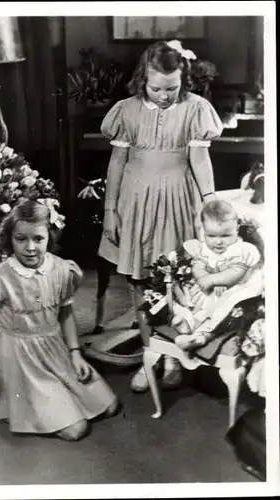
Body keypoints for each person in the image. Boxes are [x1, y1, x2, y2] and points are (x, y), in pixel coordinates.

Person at [98, 40, 223, 392]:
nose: (165, 96)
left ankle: (172, 354)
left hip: (179, 201)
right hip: (135, 203)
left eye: (172, 88)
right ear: (143, 80)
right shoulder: (126, 111)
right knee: (139, 281)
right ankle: (150, 350)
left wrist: (209, 202)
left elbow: (199, 160)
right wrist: (110, 210)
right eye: (156, 88)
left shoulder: (196, 109)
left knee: (177, 281)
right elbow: (117, 163)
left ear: (183, 80)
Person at [0, 199, 119, 441]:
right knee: (77, 430)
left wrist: (74, 353)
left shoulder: (62, 269)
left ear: (49, 237)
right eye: (21, 239)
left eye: (38, 239)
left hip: (54, 349)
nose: (30, 247)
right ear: (10, 238)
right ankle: (27, 406)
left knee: (110, 407)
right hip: (19, 358)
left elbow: (66, 313)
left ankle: (59, 401)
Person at [172, 200, 263, 350]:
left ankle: (203, 337)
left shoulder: (242, 249)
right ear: (204, 231)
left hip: (237, 287)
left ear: (237, 229)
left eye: (226, 235)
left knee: (232, 307)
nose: (218, 242)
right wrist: (202, 277)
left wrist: (216, 280)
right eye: (211, 236)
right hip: (210, 290)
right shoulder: (203, 248)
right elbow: (198, 265)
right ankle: (189, 324)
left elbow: (238, 272)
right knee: (195, 298)